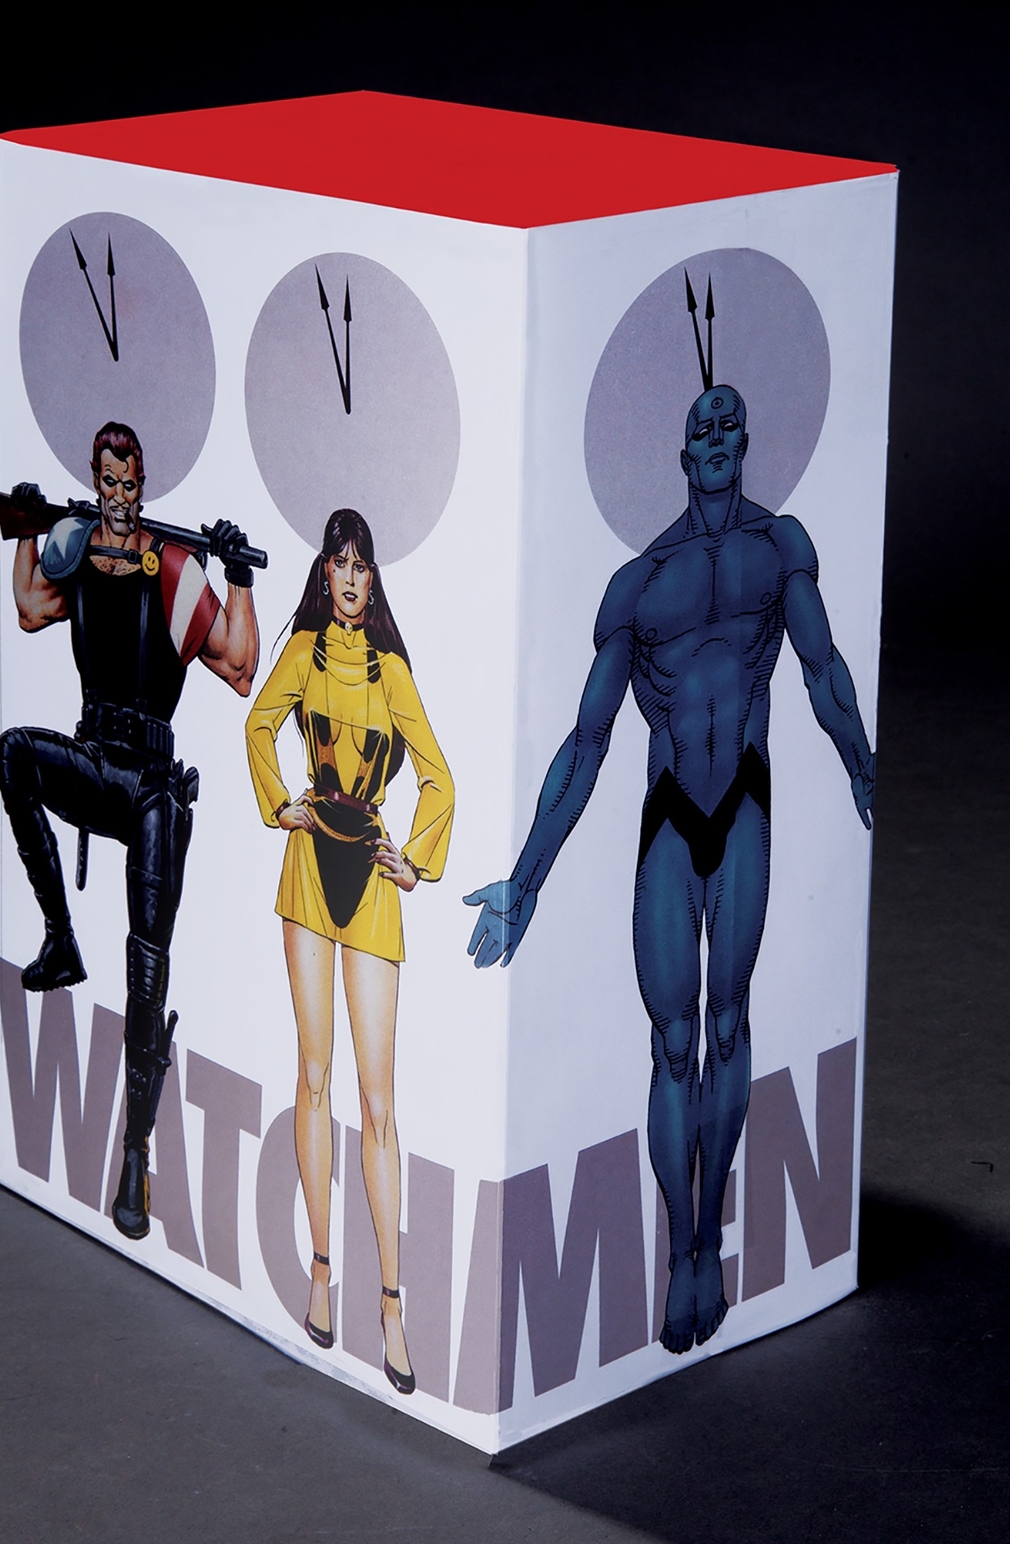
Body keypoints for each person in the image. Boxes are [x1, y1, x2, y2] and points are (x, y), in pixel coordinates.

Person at [465, 384, 874, 1354]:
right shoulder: (637, 583)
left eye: (731, 422)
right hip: (666, 819)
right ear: (682, 454)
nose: (718, 435)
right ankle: (678, 1247)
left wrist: (863, 763)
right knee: (672, 1041)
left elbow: (821, 668)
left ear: (746, 442)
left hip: (743, 805)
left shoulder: (780, 547)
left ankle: (707, 1246)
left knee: (728, 1025)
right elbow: (585, 741)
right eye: (702, 426)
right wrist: (525, 879)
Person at [0, 421, 259, 1241]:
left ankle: (134, 1154)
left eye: (128, 483)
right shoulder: (78, 555)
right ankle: (59, 939)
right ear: (95, 482)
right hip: (92, 764)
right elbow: (31, 609)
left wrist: (238, 576)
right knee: (14, 753)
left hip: (149, 788)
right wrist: (29, 529)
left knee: (146, 974)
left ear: (143, 486)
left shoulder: (173, 568)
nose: (116, 496)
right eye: (105, 482)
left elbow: (239, 666)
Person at [245, 508, 453, 1395]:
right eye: (339, 562)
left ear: (374, 577)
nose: (352, 578)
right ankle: (321, 1274)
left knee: (376, 1101)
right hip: (305, 871)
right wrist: (279, 804)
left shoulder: (390, 670)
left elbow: (439, 777)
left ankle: (392, 1306)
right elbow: (258, 727)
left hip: (367, 878)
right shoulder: (301, 652)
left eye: (362, 564)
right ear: (324, 573)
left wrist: (417, 861)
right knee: (313, 1074)